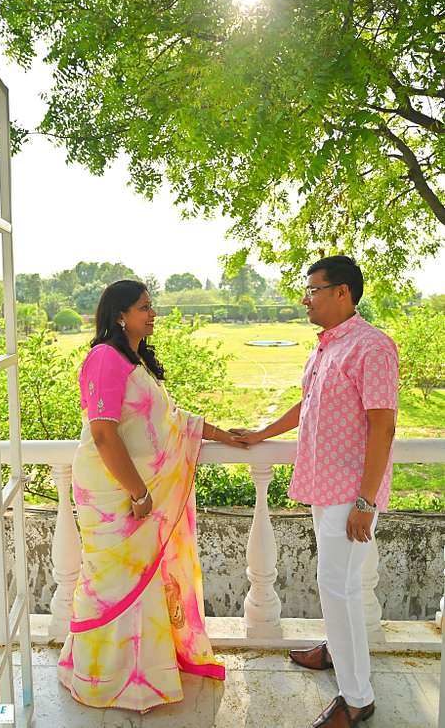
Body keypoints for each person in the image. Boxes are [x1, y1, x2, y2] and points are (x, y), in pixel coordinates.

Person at [57, 279, 245, 712]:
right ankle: (103, 678)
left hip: (136, 491)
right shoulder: (105, 358)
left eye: (150, 305)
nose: (153, 313)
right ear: (120, 315)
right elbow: (103, 434)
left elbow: (173, 421)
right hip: (114, 493)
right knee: (111, 582)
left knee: (143, 583)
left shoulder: (135, 362)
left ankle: (144, 675)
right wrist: (139, 492)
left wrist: (227, 435)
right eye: (144, 307)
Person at [231, 256, 398, 728]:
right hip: (326, 485)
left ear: (342, 292)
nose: (305, 299)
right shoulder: (327, 347)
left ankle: (357, 698)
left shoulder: (373, 347)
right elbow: (308, 404)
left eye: (313, 290)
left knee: (337, 587)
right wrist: (262, 433)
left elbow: (383, 427)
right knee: (341, 586)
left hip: (351, 492)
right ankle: (336, 652)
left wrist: (366, 501)